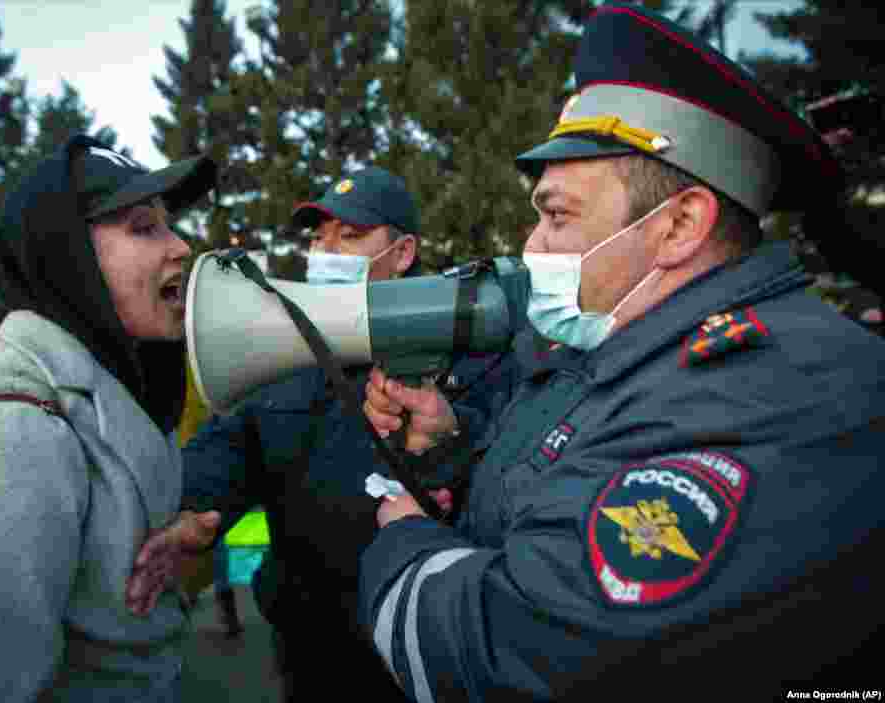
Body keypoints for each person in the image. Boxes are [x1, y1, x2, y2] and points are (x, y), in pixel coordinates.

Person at [359, 5, 885, 700]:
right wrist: (450, 444)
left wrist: (403, 541)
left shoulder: (770, 394)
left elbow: (510, 654)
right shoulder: (624, 346)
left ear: (679, 226)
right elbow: (550, 488)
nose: (532, 245)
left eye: (557, 214)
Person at [128, 166, 519, 702]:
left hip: (423, 644)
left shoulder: (473, 350)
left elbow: (504, 470)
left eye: (350, 235)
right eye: (317, 238)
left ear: (403, 253)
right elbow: (230, 448)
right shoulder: (282, 354)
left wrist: (449, 436)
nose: (325, 251)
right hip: (308, 645)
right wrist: (191, 510)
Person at [0, 135, 217, 702]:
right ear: (68, 262)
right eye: (144, 228)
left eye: (169, 225)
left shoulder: (123, 398)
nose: (181, 246)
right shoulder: (8, 442)